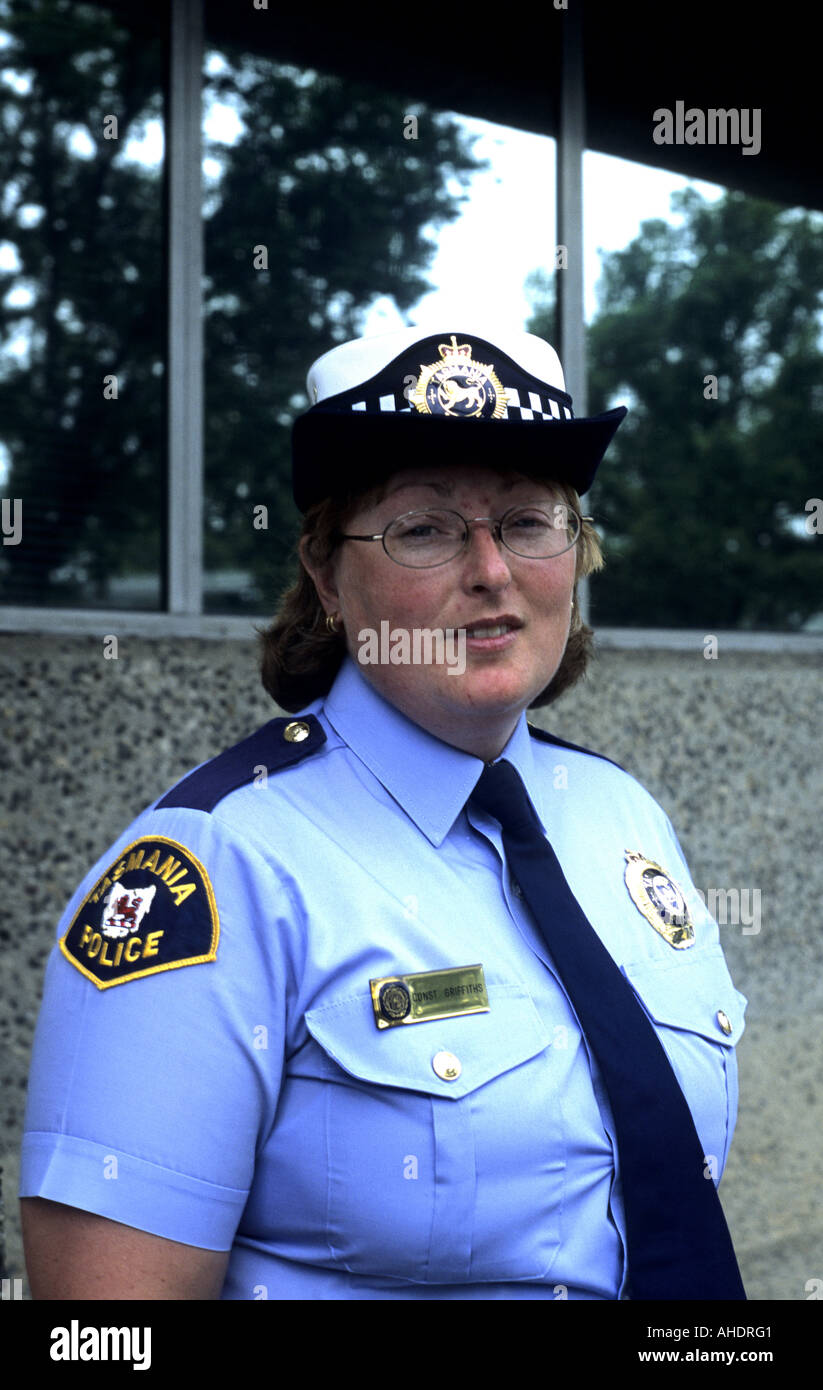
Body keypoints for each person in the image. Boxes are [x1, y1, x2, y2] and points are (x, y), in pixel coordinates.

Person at [19, 324, 747, 1300]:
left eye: (529, 521)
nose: (491, 569)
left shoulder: (620, 815)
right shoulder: (212, 871)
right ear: (325, 574)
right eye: (425, 527)